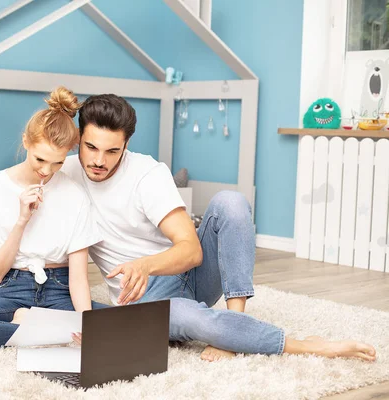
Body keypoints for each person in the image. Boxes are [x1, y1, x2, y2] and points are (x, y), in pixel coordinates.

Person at [63, 93, 376, 362]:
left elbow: (191, 250)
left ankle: (235, 321)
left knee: (230, 201)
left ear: (126, 144)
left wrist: (145, 265)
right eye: (91, 148)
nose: (100, 161)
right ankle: (307, 346)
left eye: (112, 151)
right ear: (79, 139)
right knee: (198, 322)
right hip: (145, 300)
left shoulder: (147, 174)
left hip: (186, 274)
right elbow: (21, 176)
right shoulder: (64, 173)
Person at [0, 87, 103, 350]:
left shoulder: (75, 195)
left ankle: (33, 330)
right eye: (40, 159)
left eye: (58, 163)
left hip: (60, 289)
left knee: (120, 324)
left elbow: (78, 277)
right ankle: (49, 331)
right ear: (26, 142)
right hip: (11, 289)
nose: (46, 170)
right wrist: (21, 221)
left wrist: (86, 322)